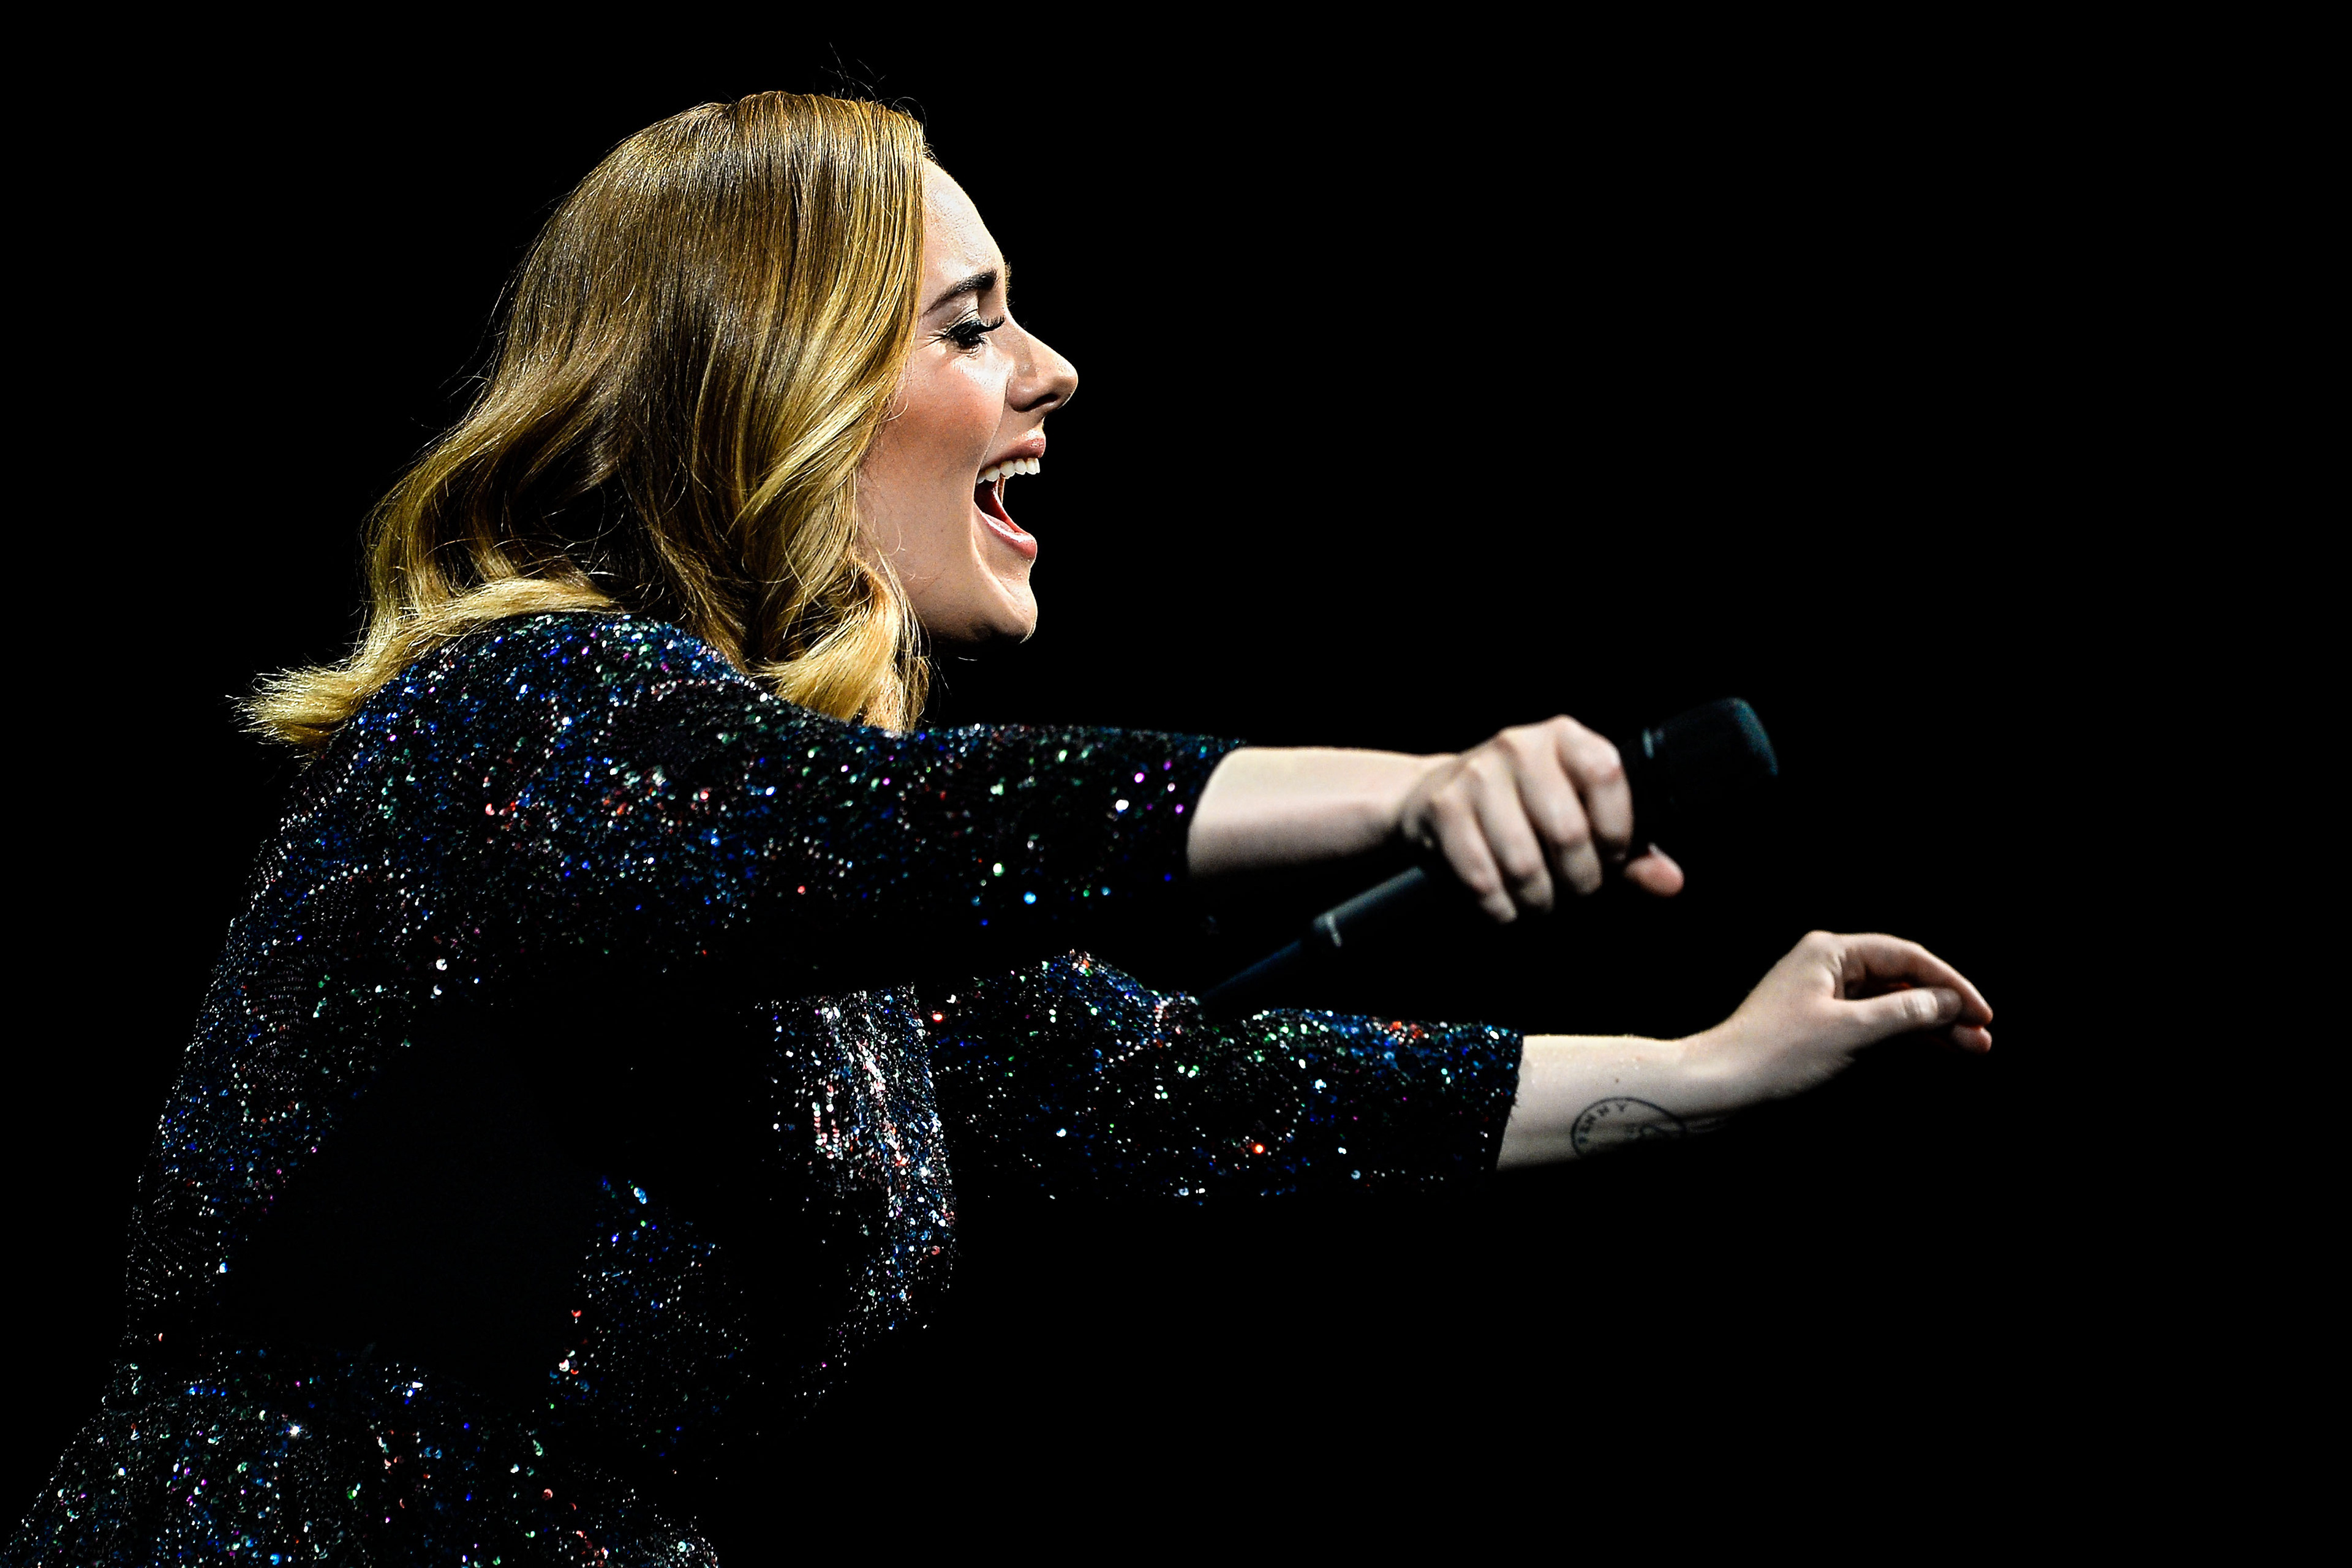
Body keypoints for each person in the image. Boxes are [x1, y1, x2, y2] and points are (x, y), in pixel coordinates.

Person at [17, 91, 1990, 1563]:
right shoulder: (523, 713)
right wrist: (1413, 788)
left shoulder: (827, 964)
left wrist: (1712, 1071)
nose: (1051, 371)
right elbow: (886, 827)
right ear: (772, 387)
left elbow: (1188, 1089)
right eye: (969, 327)